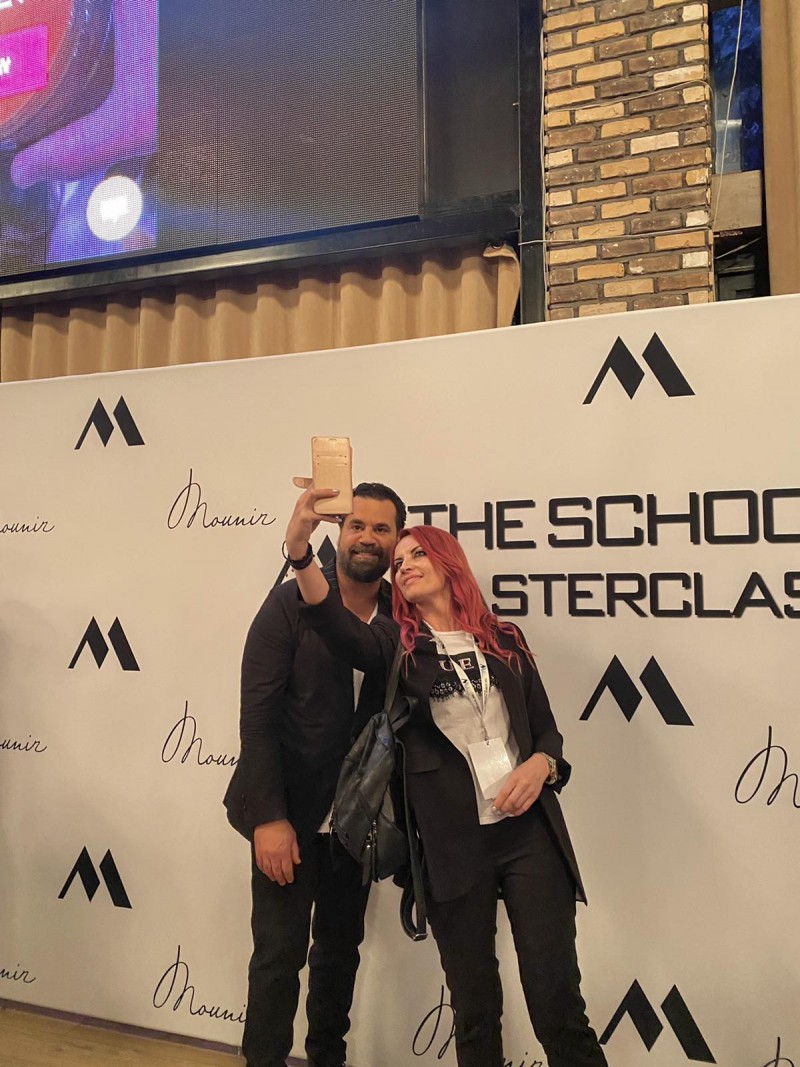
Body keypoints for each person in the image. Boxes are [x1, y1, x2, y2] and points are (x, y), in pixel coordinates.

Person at [285, 485, 608, 1067]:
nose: (403, 566)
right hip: (452, 844)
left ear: (448, 562)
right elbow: (333, 624)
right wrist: (302, 553)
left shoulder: (505, 639)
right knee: (475, 1010)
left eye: (417, 555)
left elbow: (548, 734)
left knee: (558, 1002)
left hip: (529, 836)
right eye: (398, 561)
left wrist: (542, 766)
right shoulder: (397, 648)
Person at [223, 481, 406, 1067]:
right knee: (277, 959)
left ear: (397, 540)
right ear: (338, 532)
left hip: (357, 822)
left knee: (339, 955)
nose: (367, 538)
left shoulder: (401, 618)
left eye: (381, 528)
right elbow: (257, 719)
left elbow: (366, 653)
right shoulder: (286, 604)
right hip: (288, 817)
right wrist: (268, 818)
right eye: (357, 525)